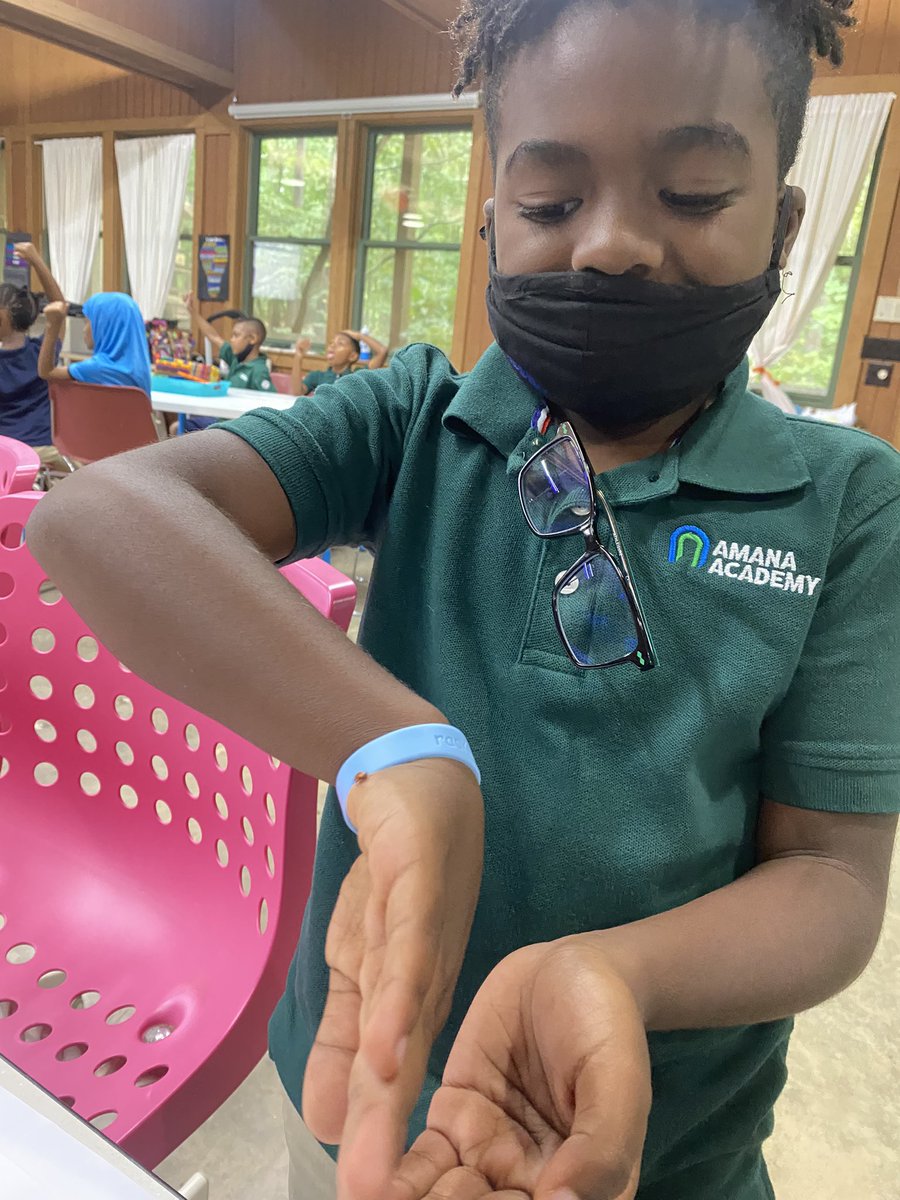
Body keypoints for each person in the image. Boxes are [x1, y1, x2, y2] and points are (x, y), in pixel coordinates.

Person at [27, 3, 899, 1200]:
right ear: (490, 228)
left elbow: (837, 884)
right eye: (549, 204)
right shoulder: (414, 421)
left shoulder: (848, 502)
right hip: (352, 1106)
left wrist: (616, 974)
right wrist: (396, 742)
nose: (612, 245)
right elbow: (95, 520)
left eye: (693, 194)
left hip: (662, 1155)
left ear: (786, 222)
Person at [0, 242, 68, 472]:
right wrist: (36, 260)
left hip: (4, 453)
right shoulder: (43, 353)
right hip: (42, 453)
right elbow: (60, 307)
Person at [182, 293, 275, 431]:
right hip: (220, 420)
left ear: (252, 339)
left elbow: (272, 404)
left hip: (235, 429)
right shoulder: (235, 358)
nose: (231, 340)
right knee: (178, 427)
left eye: (236, 335)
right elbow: (213, 336)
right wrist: (193, 312)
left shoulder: (259, 370)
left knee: (179, 428)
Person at [39, 292, 153, 397]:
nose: (84, 329)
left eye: (88, 322)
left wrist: (52, 325)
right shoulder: (140, 370)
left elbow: (47, 372)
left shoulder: (96, 368)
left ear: (104, 326)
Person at [292, 330, 389, 396]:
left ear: (352, 356)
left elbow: (382, 351)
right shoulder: (318, 376)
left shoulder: (358, 375)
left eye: (340, 343)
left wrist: (359, 336)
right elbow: (297, 392)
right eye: (331, 343)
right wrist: (298, 356)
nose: (332, 346)